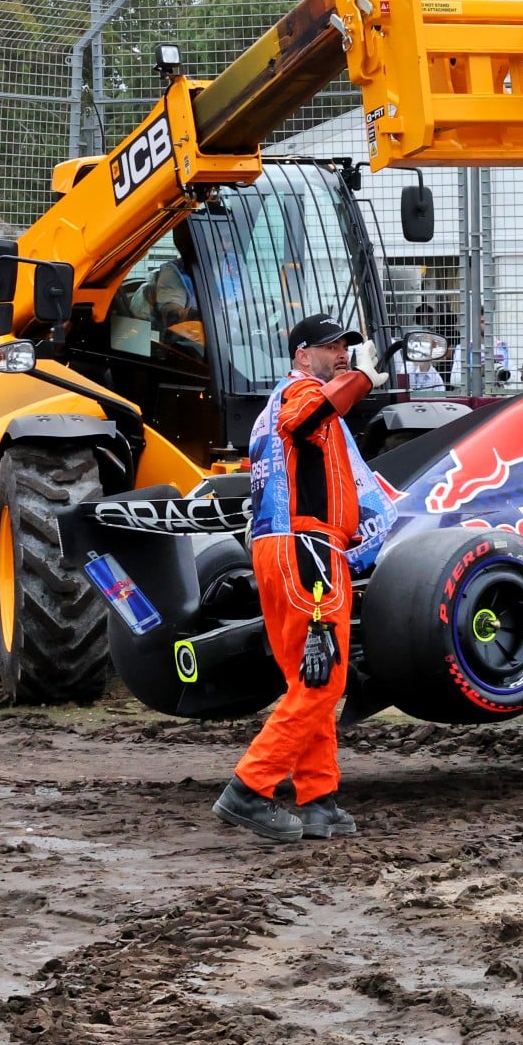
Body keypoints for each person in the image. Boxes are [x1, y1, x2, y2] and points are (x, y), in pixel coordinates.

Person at [213, 315, 392, 843]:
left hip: (285, 548)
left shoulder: (282, 403)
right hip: (307, 551)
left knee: (308, 677)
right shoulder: (301, 393)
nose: (342, 353)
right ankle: (249, 788)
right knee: (324, 677)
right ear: (300, 355)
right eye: (330, 347)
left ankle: (318, 798)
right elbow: (308, 416)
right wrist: (359, 380)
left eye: (346, 347)